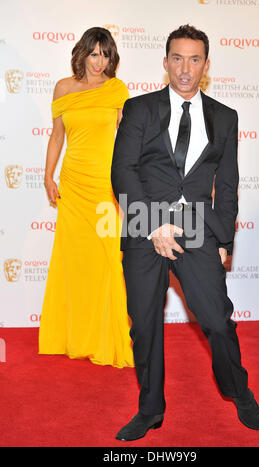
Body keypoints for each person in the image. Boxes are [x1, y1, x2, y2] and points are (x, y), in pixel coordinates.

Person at [111, 25, 259, 440]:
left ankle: (239, 390)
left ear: (207, 65)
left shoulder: (225, 117)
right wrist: (152, 223)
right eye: (177, 58)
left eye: (194, 59)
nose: (185, 68)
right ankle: (149, 410)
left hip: (198, 227)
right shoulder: (139, 109)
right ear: (165, 62)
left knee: (217, 320)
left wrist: (224, 242)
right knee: (144, 325)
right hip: (145, 226)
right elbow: (122, 171)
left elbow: (228, 185)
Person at [39, 27, 134, 369]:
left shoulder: (116, 89)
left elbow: (128, 137)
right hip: (74, 185)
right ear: (82, 52)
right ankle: (72, 336)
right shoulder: (63, 87)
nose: (99, 61)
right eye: (94, 53)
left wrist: (130, 180)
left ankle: (105, 336)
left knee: (108, 261)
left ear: (112, 58)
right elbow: (56, 136)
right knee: (74, 262)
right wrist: (48, 175)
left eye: (105, 54)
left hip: (105, 185)